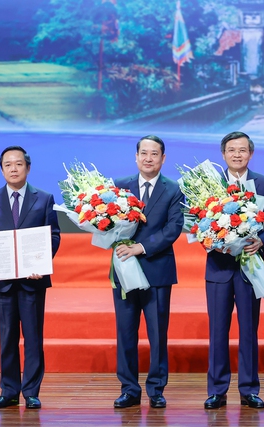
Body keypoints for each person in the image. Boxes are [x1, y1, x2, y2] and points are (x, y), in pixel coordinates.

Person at [204, 131, 264, 410]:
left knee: (249, 330)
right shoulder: (210, 184)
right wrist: (212, 240)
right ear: (223, 154)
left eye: (242, 150)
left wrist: (262, 241)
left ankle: (249, 389)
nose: (237, 155)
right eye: (232, 150)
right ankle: (217, 390)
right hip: (219, 267)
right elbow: (198, 223)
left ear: (250, 154)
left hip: (250, 266)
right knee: (218, 331)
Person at [0, 146, 61, 409]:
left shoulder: (44, 198)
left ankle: (32, 392)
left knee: (33, 338)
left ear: (28, 167)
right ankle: (9, 391)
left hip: (32, 280)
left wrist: (42, 262)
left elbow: (54, 235)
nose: (13, 169)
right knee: (7, 337)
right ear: (2, 169)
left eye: (18, 164)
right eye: (8, 165)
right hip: (3, 281)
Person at [112, 135, 184, 409]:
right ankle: (129, 389)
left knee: (157, 333)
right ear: (136, 157)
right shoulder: (119, 186)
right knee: (126, 332)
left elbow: (173, 228)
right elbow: (106, 222)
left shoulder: (173, 189)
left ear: (163, 158)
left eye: (154, 154)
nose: (148, 158)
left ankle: (156, 389)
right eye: (144, 153)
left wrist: (141, 247)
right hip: (124, 268)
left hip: (157, 270)